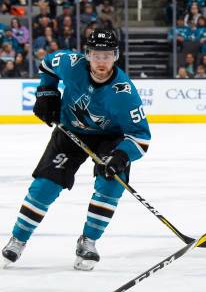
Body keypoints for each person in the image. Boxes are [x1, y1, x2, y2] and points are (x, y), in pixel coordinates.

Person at [2, 29, 151, 270]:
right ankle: (18, 239)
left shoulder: (124, 93)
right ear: (87, 54)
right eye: (96, 55)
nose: (101, 62)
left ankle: (88, 241)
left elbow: (141, 137)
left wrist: (121, 156)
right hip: (70, 131)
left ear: (116, 56)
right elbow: (47, 64)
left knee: (111, 182)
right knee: (45, 185)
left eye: (107, 55)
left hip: (109, 138)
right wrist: (46, 91)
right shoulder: (71, 64)